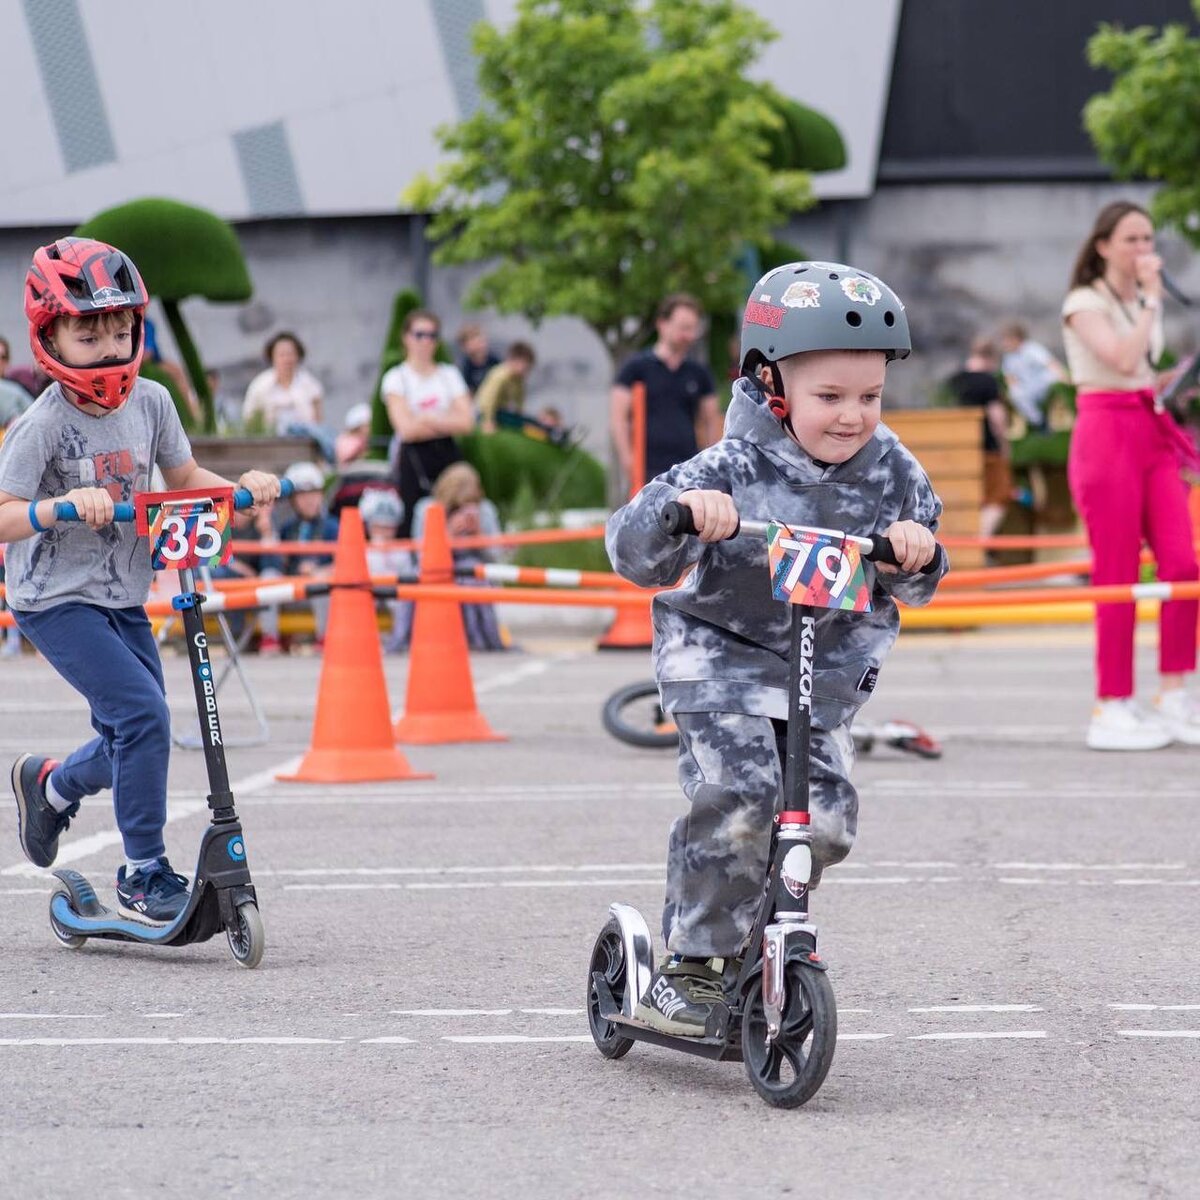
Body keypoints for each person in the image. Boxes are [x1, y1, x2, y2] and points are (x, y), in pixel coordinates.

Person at [606, 261, 945, 1036]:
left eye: (870, 397)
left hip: (818, 670)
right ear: (772, 385)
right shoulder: (731, 465)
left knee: (824, 824)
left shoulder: (895, 473)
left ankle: (759, 936)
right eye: (830, 397)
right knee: (744, 796)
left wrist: (916, 553)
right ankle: (696, 960)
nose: (853, 417)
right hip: (720, 658)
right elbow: (631, 550)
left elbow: (919, 581)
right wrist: (683, 514)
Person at [0, 236, 280, 921]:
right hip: (55, 598)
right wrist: (59, 506)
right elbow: (4, 513)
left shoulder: (151, 402)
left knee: (134, 729)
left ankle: (53, 786)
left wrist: (240, 490)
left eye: (118, 329)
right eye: (87, 332)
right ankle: (143, 871)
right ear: (50, 334)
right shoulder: (41, 425)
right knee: (145, 717)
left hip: (124, 593)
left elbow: (183, 480)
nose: (106, 345)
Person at [1062, 200, 1200, 751]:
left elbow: (1142, 365)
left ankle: (1173, 692)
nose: (1145, 250)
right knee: (1117, 572)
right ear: (1103, 246)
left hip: (1150, 424)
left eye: (1149, 239)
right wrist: (1148, 300)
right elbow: (1120, 359)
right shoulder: (1083, 301)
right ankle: (1111, 703)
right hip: (1105, 431)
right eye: (1132, 240)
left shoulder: (1145, 299)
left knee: (1183, 560)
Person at [610, 293, 723, 491]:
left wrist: (709, 462)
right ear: (662, 324)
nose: (688, 335)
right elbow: (618, 418)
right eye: (683, 328)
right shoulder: (636, 368)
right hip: (646, 470)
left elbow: (711, 419)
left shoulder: (699, 373)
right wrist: (629, 462)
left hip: (688, 469)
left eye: (693, 329)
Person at [381, 311, 474, 537]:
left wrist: (426, 418)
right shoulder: (396, 377)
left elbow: (467, 422)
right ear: (406, 337)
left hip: (447, 452)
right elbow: (406, 429)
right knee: (414, 518)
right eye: (420, 334)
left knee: (462, 512)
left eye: (432, 335)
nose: (426, 341)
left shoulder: (448, 374)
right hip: (414, 459)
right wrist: (446, 419)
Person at [405, 463, 506, 651]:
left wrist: (478, 535)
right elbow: (420, 556)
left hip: (472, 569)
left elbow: (496, 557)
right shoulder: (426, 509)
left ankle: (479, 637)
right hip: (436, 568)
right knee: (414, 577)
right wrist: (447, 534)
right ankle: (413, 635)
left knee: (473, 579)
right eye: (456, 506)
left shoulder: (485, 510)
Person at [256, 461, 338, 655]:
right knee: (268, 575)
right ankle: (270, 638)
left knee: (320, 581)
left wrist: (321, 571)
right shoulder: (287, 528)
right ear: (293, 500)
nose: (309, 500)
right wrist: (269, 536)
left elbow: (347, 563)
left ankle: (324, 638)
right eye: (303, 495)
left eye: (314, 493)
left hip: (321, 594)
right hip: (292, 592)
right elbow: (276, 565)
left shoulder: (333, 527)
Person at [945, 337, 1012, 542]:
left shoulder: (953, 381)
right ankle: (980, 542)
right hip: (987, 449)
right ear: (991, 359)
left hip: (955, 451)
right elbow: (997, 418)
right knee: (999, 495)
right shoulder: (988, 381)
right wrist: (1005, 445)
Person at [243, 331, 336, 462]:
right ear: (272, 357)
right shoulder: (259, 386)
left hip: (304, 450)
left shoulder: (310, 384)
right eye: (281, 354)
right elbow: (250, 421)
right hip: (269, 450)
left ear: (298, 356)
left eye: (290, 354)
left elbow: (318, 422)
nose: (287, 359)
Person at [358, 486, 412, 654]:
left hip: (393, 591)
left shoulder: (401, 551)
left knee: (402, 603)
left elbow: (407, 575)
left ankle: (399, 641)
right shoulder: (364, 550)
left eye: (388, 528)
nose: (384, 532)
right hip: (369, 591)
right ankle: (365, 641)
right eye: (379, 527)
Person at [999, 321, 1067, 431]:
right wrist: (1013, 388)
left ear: (1016, 338)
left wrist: (1064, 378)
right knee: (1016, 393)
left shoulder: (1032, 349)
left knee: (1053, 376)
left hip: (1042, 383)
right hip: (1027, 388)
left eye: (1007, 340)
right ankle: (1040, 422)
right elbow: (1010, 377)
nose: (1004, 343)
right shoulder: (1008, 357)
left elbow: (1050, 363)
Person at [476, 342, 536, 432]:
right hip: (483, 411)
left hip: (499, 410)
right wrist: (488, 421)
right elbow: (490, 399)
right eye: (526, 366)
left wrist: (519, 415)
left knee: (527, 421)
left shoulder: (518, 379)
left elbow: (519, 399)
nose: (527, 371)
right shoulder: (500, 376)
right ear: (514, 361)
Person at [456, 323, 500, 396]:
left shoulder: (494, 360)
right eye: (474, 341)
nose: (480, 344)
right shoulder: (466, 367)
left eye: (481, 340)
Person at [335, 401, 373, 468]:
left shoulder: (344, 439)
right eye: (367, 425)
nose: (370, 428)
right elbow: (347, 457)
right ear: (358, 427)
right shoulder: (347, 440)